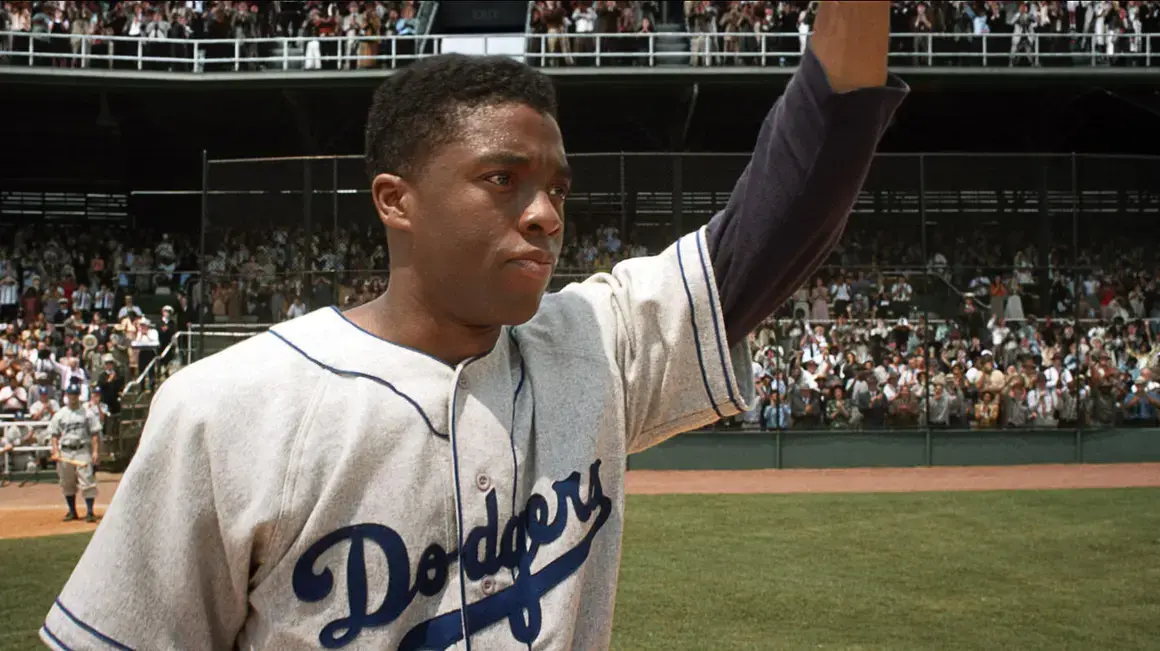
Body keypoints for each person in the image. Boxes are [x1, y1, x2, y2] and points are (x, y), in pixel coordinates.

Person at [42, 4, 906, 649]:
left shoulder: (593, 342)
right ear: (396, 200)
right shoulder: (226, 409)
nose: (546, 214)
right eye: (503, 179)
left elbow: (788, 208)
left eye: (558, 188)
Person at [47, 383, 102, 524]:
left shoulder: (87, 413)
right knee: (67, 482)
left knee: (87, 481)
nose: (73, 397)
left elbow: (95, 434)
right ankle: (72, 511)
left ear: (79, 396)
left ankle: (90, 512)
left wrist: (95, 452)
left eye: (75, 394)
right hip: (65, 451)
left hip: (82, 449)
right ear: (67, 396)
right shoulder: (60, 414)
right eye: (71, 394)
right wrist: (55, 450)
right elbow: (54, 435)